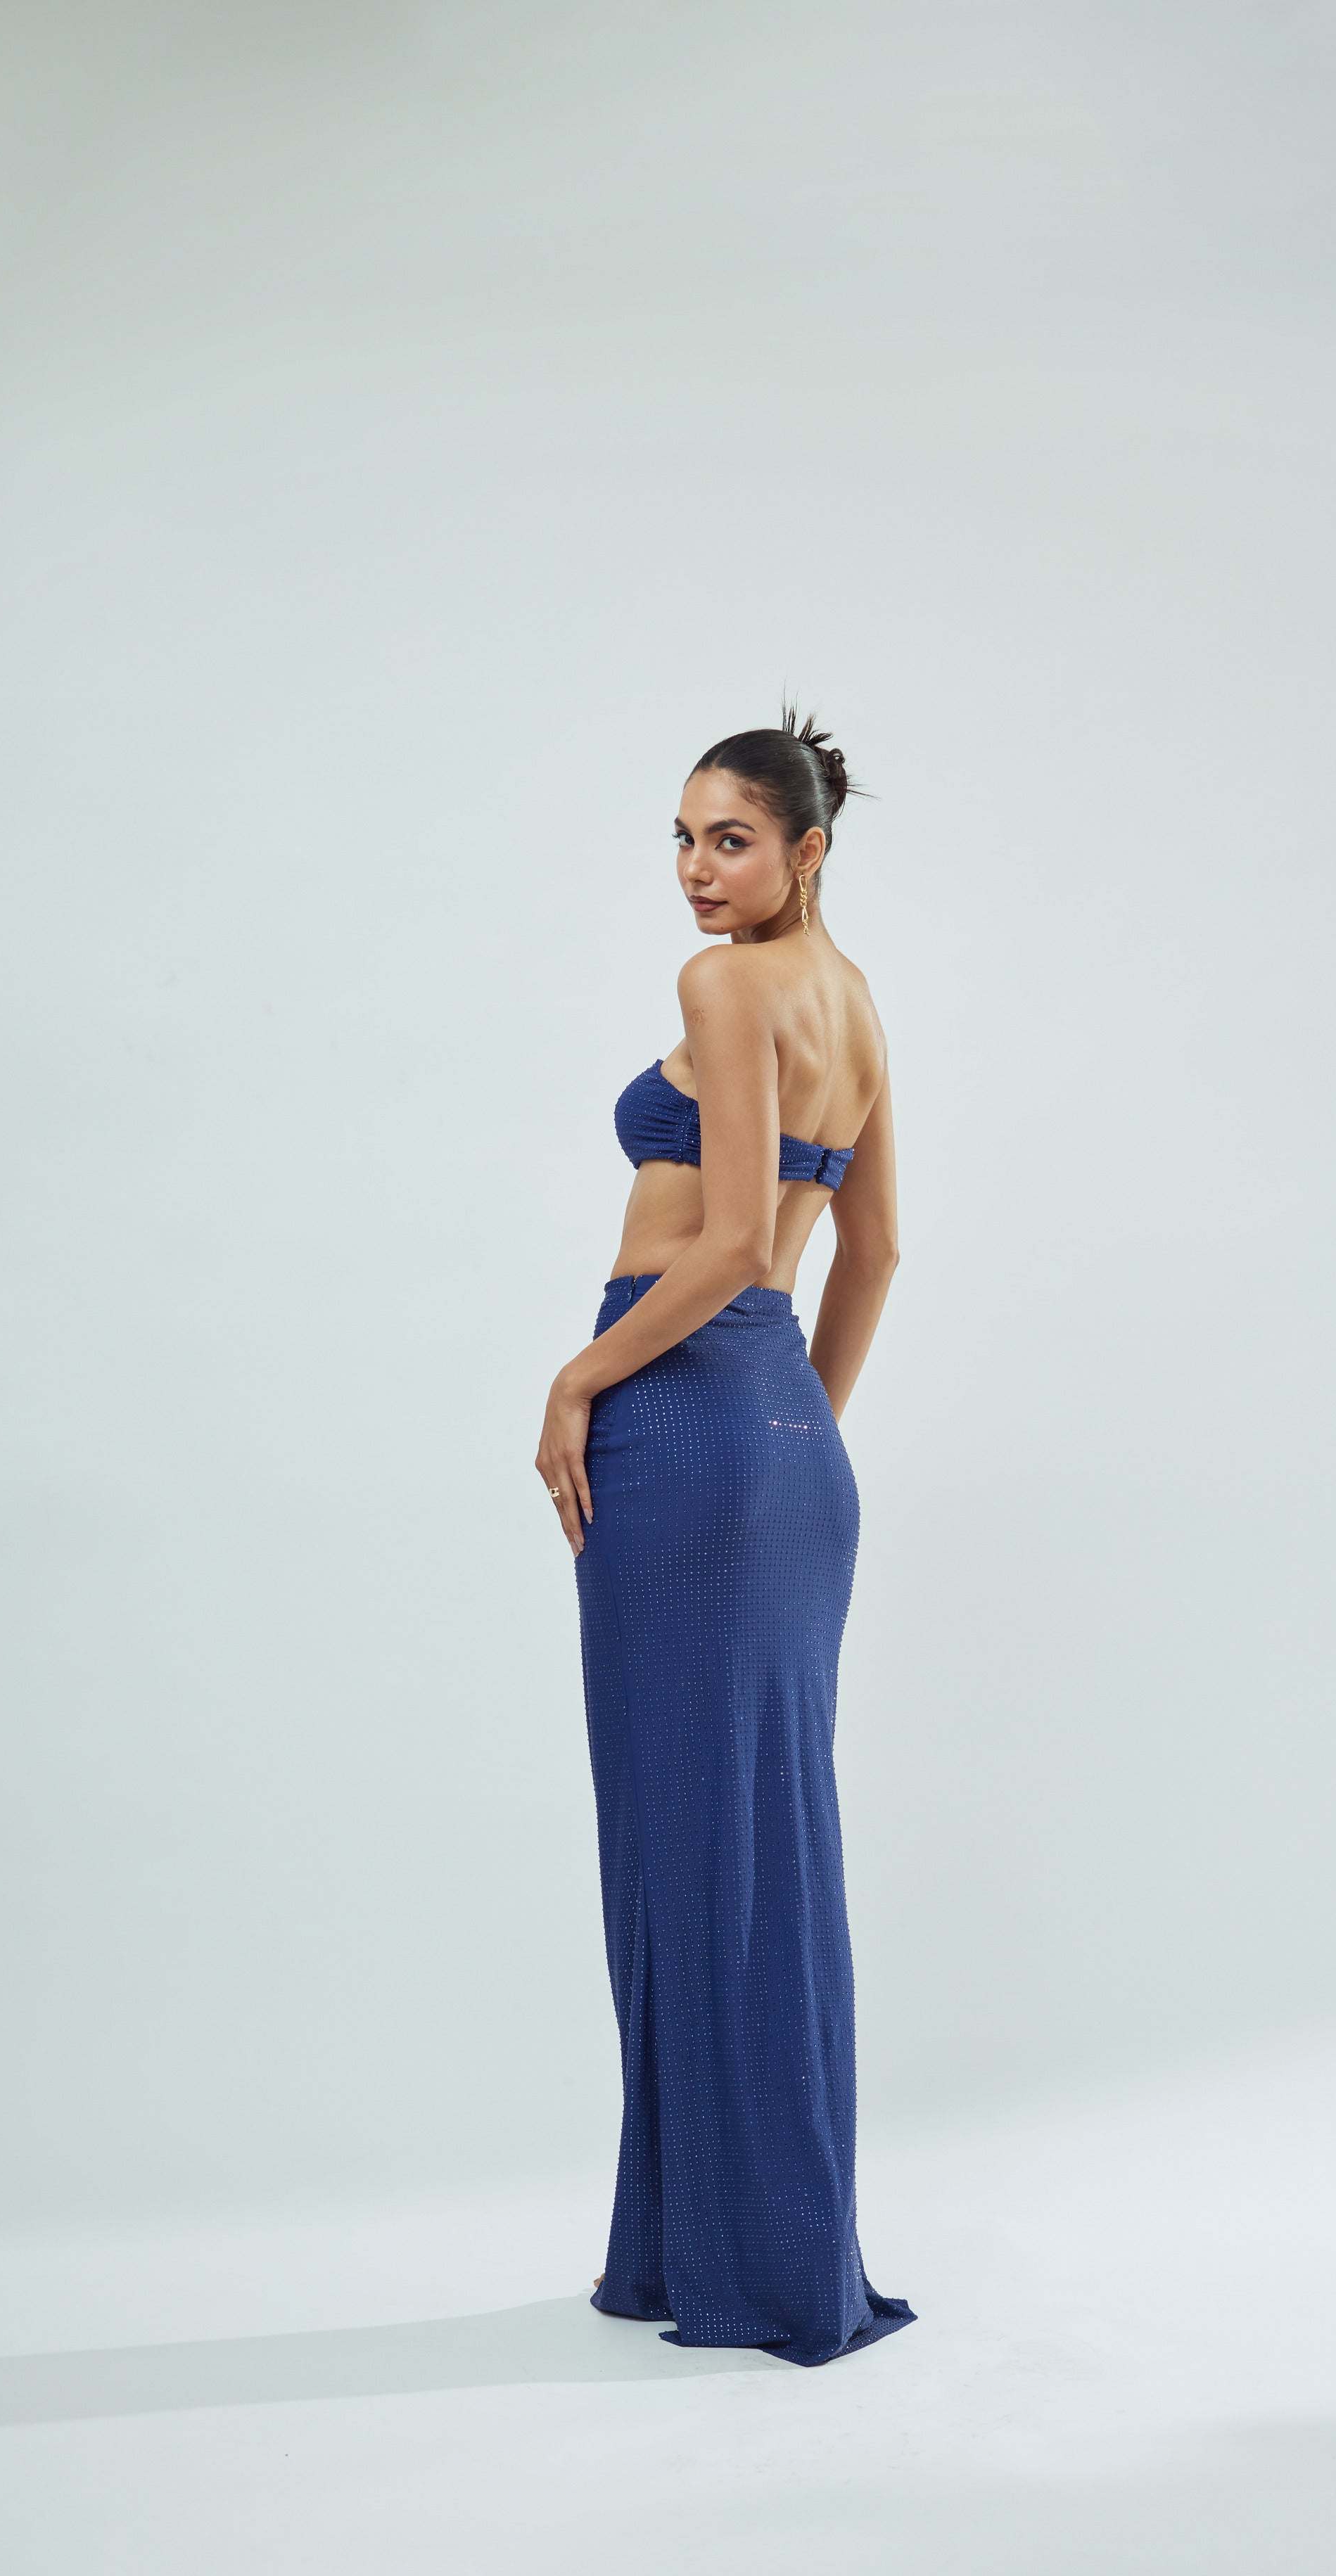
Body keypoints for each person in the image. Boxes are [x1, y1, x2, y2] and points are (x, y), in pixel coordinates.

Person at [534, 712, 915, 2366]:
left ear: (806, 850)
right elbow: (873, 1254)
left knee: (682, 1847)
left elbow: (741, 1246)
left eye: (732, 841)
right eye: (683, 840)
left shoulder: (728, 988)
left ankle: (729, 2261)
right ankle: (728, 2248)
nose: (698, 871)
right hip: (787, 1451)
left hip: (684, 1425)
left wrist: (579, 1379)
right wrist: (801, 1429)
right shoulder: (856, 1001)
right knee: (760, 1850)